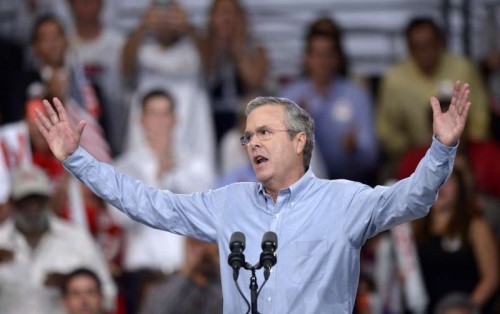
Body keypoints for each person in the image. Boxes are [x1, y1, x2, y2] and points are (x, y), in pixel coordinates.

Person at [34, 79, 471, 313]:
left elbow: (413, 198)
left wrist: (442, 148)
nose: (253, 143)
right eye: (248, 136)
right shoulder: (229, 203)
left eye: (265, 132)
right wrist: (78, 159)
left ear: (300, 142)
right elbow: (151, 204)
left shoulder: (346, 202)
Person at [111, 89, 215, 313]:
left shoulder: (196, 166)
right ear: (141, 120)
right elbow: (119, 218)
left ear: (175, 119)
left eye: (164, 114)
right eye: (153, 114)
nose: (159, 122)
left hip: (188, 273)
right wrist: (156, 175)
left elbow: (207, 214)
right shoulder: (125, 168)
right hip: (144, 275)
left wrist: (173, 173)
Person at [376, 17, 490, 176]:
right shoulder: (394, 79)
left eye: (429, 44)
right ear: (409, 49)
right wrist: (414, 152)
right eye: (418, 46)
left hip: (465, 153)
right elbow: (387, 129)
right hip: (417, 155)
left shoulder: (464, 68)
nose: (425, 51)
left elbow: (480, 117)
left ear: (441, 42)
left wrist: (462, 147)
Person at [0, 165, 116, 314]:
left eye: (38, 201)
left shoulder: (76, 238)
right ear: (12, 204)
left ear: (48, 201)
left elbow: (108, 295)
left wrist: (71, 284)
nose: (33, 209)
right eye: (25, 202)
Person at [280, 18, 378, 184]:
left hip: (349, 183)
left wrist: (354, 150)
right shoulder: (290, 96)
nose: (322, 61)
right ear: (307, 58)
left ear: (337, 59)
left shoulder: (356, 95)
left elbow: (371, 158)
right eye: (317, 54)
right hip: (302, 187)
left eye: (328, 54)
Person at [412, 161, 499, 313]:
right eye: (435, 179)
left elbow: (491, 278)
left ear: (460, 186)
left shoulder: (475, 226)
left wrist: (467, 308)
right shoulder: (414, 227)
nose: (441, 185)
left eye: (448, 179)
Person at [196, 0, 269, 143]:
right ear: (211, 18)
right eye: (221, 13)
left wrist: (238, 48)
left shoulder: (255, 50)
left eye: (231, 13)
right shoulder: (203, 46)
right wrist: (219, 45)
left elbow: (254, 81)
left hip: (244, 125)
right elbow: (206, 73)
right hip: (208, 123)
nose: (226, 19)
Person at [67, 0, 128, 157]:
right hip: (74, 126)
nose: (85, 4)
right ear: (69, 4)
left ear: (101, 4)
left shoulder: (120, 43)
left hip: (115, 126)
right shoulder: (62, 42)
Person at [139, 237, 222, 314]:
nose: (204, 250)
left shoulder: (221, 285)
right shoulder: (166, 284)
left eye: (208, 244)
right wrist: (187, 270)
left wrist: (218, 266)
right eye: (198, 244)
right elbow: (156, 310)